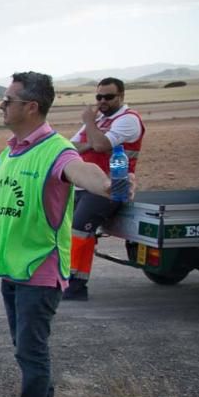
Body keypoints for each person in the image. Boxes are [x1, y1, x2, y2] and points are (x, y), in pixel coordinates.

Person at [0, 72, 126, 397]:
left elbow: (83, 172)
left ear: (31, 106)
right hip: (12, 266)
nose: (2, 105)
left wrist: (108, 185)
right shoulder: (8, 153)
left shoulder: (57, 150)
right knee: (24, 345)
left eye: (8, 100)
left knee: (31, 348)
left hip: (40, 269)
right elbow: (2, 208)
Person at [64, 77, 145, 301]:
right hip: (83, 186)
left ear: (121, 97)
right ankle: (69, 281)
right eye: (99, 97)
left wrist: (90, 124)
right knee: (76, 233)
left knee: (80, 231)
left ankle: (76, 286)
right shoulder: (99, 119)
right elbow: (70, 147)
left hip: (110, 187)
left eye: (108, 97)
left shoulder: (128, 120)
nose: (102, 101)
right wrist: (92, 138)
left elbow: (100, 145)